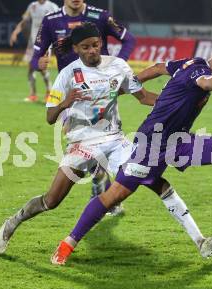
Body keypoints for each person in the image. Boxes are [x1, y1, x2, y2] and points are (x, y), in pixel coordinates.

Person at [0, 23, 212, 260]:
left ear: (101, 43)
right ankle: (13, 223)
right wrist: (66, 102)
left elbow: (142, 97)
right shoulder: (67, 75)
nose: (92, 50)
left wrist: (176, 103)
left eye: (95, 45)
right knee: (52, 201)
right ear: (75, 48)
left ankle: (200, 241)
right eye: (85, 47)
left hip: (114, 140)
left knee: (154, 180)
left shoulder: (118, 66)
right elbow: (50, 117)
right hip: (81, 144)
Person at [51, 39, 212, 265]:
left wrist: (129, 84)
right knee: (114, 196)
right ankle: (67, 244)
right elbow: (208, 82)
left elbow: (160, 68)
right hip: (151, 144)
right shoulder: (199, 71)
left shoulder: (189, 62)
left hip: (177, 141)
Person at [32, 0, 136, 212]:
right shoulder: (51, 21)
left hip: (102, 93)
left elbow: (129, 39)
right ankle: (103, 190)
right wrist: (38, 63)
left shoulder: (100, 16)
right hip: (72, 97)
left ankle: (106, 195)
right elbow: (37, 56)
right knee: (87, 145)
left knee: (101, 141)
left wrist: (117, 65)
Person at [9, 0, 59, 103]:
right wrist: (15, 32)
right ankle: (33, 94)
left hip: (45, 43)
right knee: (30, 68)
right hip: (32, 43)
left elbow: (60, 22)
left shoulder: (52, 6)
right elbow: (24, 21)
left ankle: (49, 92)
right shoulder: (32, 6)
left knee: (42, 69)